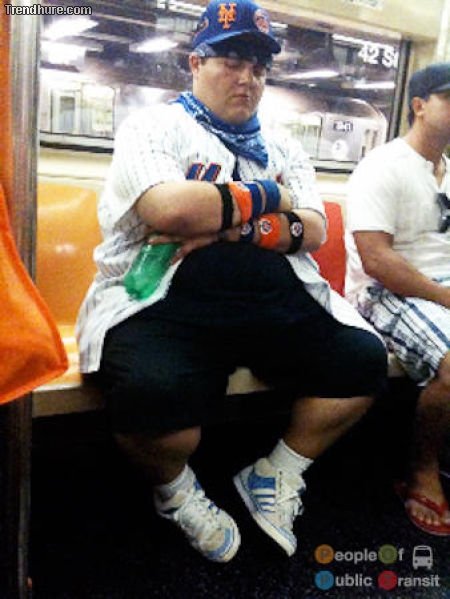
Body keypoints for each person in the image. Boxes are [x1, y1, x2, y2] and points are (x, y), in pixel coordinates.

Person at [77, 0, 387, 562]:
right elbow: (171, 210)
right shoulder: (154, 126)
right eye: (231, 61)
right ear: (195, 63)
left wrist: (230, 228)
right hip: (163, 300)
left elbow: (314, 229)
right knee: (152, 399)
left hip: (274, 299)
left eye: (259, 67)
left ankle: (276, 473)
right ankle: (174, 490)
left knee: (363, 361)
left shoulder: (283, 143)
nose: (248, 78)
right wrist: (273, 196)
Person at [346, 62, 450, 536]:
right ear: (419, 106)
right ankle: (422, 469)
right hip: (385, 291)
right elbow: (377, 260)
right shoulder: (382, 167)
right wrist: (445, 297)